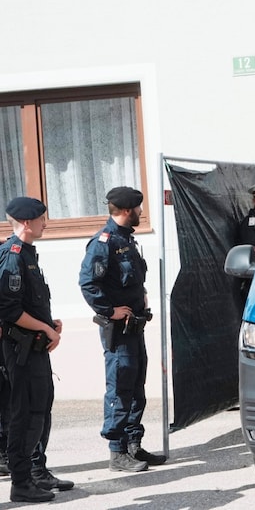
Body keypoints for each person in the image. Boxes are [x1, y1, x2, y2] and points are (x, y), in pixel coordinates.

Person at [78, 186, 166, 472]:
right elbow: (89, 284)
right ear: (127, 210)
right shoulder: (103, 242)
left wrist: (139, 296)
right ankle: (117, 453)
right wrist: (109, 310)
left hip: (135, 327)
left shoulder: (126, 240)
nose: (141, 213)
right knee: (120, 387)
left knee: (136, 387)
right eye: (138, 208)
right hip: (119, 331)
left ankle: (133, 445)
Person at [0, 197, 73, 503]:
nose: (46, 223)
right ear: (27, 224)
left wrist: (48, 322)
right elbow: (10, 309)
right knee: (25, 414)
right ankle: (21, 481)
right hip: (22, 350)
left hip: (35, 347)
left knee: (39, 411)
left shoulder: (27, 254)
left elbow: (28, 302)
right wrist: (43, 328)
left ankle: (33, 473)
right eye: (42, 219)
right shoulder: (12, 256)